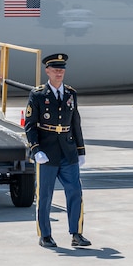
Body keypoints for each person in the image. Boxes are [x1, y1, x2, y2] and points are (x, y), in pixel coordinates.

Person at [24, 53, 90, 249]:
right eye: (55, 69)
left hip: (68, 151)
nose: (59, 72)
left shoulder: (70, 94)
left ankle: (76, 234)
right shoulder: (37, 95)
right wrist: (35, 149)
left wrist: (81, 150)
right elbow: (30, 125)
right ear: (47, 71)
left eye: (62, 69)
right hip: (47, 151)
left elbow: (75, 122)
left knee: (75, 192)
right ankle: (45, 235)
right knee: (44, 195)